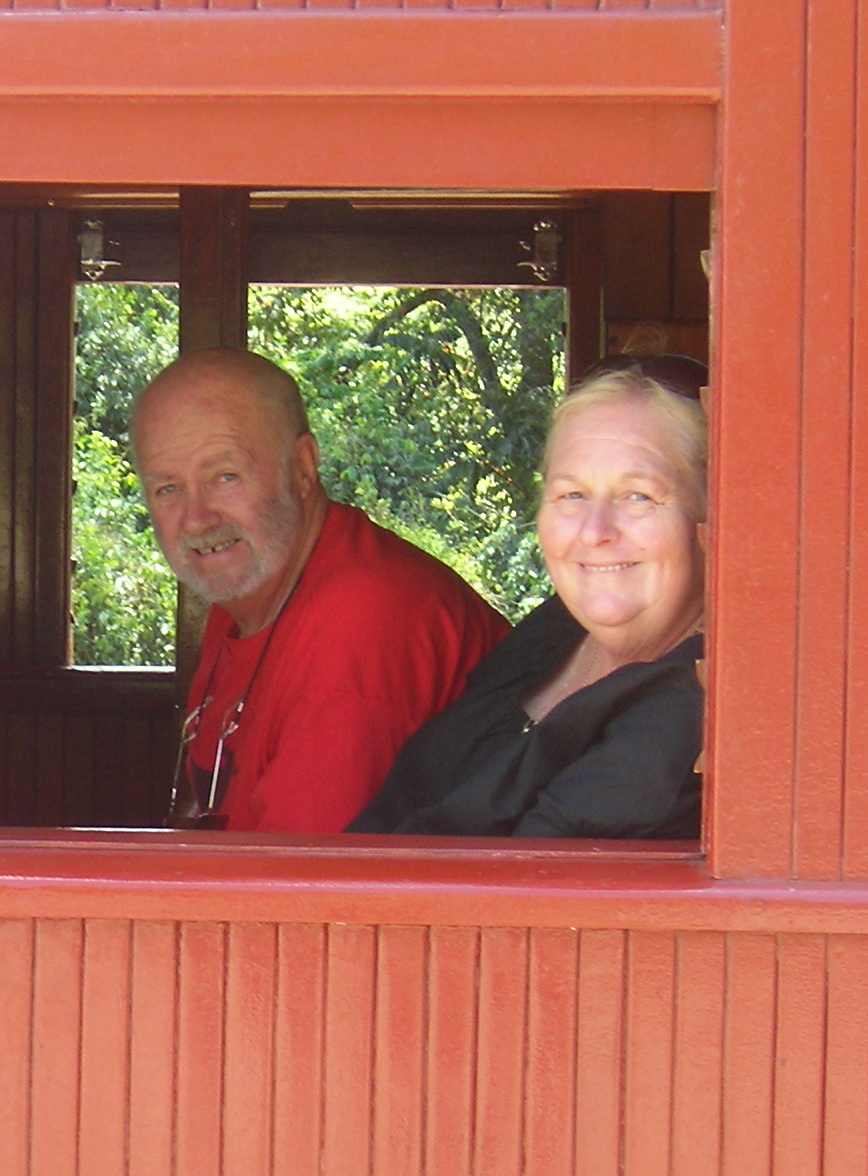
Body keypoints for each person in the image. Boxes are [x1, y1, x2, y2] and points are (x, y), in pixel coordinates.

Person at [133, 348, 509, 833]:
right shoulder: (246, 592)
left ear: (303, 467)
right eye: (167, 489)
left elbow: (309, 893)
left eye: (225, 476)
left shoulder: (356, 622)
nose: (197, 518)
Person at [350, 358, 708, 838]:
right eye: (572, 495)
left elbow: (524, 890)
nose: (595, 530)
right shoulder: (555, 631)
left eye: (638, 495)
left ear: (712, 514)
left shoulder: (688, 709)